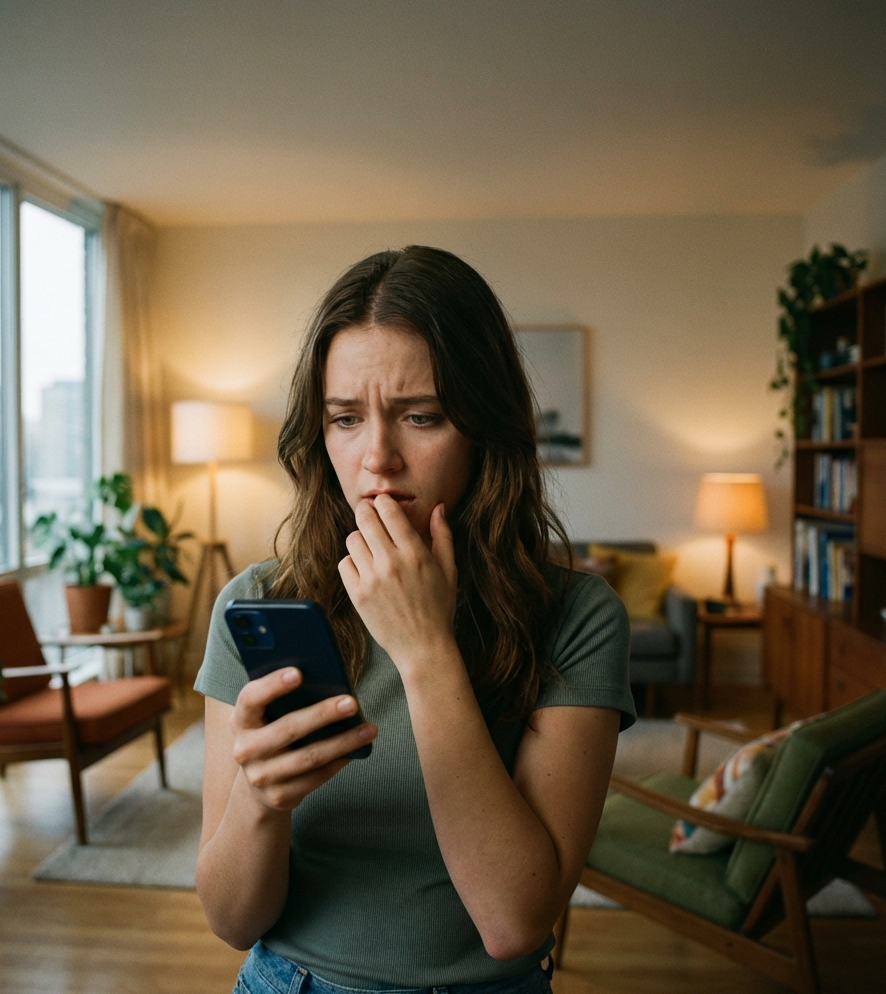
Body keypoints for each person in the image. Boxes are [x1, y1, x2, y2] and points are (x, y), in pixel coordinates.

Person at [195, 246, 634, 994]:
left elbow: (515, 921)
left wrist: (426, 651)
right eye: (344, 419)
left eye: (421, 416)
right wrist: (260, 802)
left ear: (485, 426)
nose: (377, 459)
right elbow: (233, 920)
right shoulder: (256, 603)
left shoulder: (577, 615)